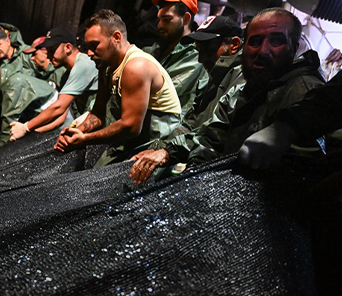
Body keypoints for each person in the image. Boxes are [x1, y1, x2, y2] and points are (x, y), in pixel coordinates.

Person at [130, 8, 326, 181]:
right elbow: (211, 135)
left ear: (295, 48)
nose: (263, 51)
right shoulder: (250, 81)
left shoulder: (306, 93)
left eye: (276, 40)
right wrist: (175, 161)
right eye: (255, 41)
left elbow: (304, 174)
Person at [54, 9, 182, 168]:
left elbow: (131, 126)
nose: (89, 53)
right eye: (87, 46)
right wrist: (74, 134)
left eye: (94, 45)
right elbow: (99, 113)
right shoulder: (105, 66)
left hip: (158, 145)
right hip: (131, 142)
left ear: (116, 38)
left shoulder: (136, 66)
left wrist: (85, 139)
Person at [129, 14, 243, 182]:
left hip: (224, 176)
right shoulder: (210, 79)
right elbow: (190, 123)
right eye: (198, 50)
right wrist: (158, 148)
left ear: (233, 45)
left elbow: (212, 134)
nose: (201, 58)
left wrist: (168, 152)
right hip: (199, 166)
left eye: (208, 49)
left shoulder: (241, 80)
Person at [239, 70, 342, 169]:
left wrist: (285, 129)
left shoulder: (301, 86)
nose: (263, 53)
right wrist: (285, 128)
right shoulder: (242, 81)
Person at [10, 26, 99, 141]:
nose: (48, 55)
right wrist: (31, 132)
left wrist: (26, 127)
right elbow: (60, 118)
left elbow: (58, 107)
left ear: (68, 47)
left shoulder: (83, 64)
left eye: (52, 50)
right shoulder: (66, 75)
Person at [0, 59, 58, 147]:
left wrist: (2, 150)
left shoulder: (13, 84)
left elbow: (9, 121)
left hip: (54, 123)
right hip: (39, 123)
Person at [144, 0, 208, 111]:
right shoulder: (153, 50)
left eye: (166, 20)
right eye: (159, 19)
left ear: (186, 19)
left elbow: (160, 94)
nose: (159, 25)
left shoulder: (196, 57)